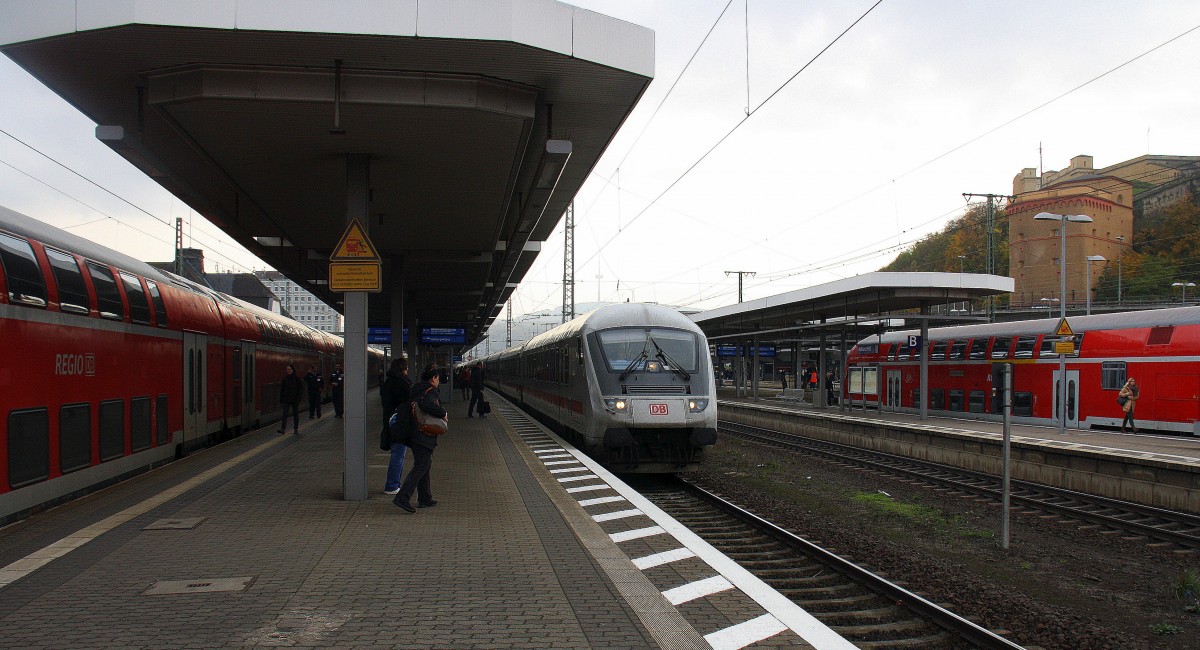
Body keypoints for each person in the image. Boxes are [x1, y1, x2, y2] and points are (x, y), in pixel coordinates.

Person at [394, 366, 446, 513]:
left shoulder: (417, 389)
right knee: (421, 466)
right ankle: (402, 497)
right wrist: (443, 413)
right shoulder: (430, 391)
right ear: (434, 378)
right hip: (423, 434)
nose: (439, 381)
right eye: (438, 378)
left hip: (415, 432)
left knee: (425, 464)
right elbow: (429, 405)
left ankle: (425, 498)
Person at [380, 358, 412, 495]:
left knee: (397, 453)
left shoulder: (388, 382)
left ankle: (393, 484)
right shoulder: (401, 384)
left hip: (390, 419)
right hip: (398, 421)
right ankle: (392, 485)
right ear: (403, 369)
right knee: (398, 454)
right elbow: (406, 403)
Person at [278, 364, 303, 435]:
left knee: (295, 414)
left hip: (295, 400)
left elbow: (300, 389)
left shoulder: (297, 379)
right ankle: (283, 429)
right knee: (284, 414)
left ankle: (296, 428)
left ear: (293, 370)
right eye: (287, 369)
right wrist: (281, 399)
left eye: (289, 369)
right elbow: (282, 390)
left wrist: (298, 398)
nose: (288, 371)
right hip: (286, 399)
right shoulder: (284, 379)